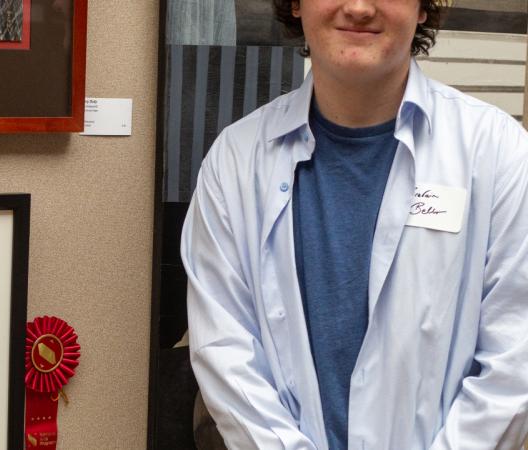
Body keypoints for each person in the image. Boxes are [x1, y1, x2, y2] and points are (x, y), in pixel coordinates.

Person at [180, 0, 528, 449]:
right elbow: (225, 354)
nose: (360, 8)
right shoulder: (235, 161)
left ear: (422, 7)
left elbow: (514, 362)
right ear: (295, 4)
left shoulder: (500, 154)